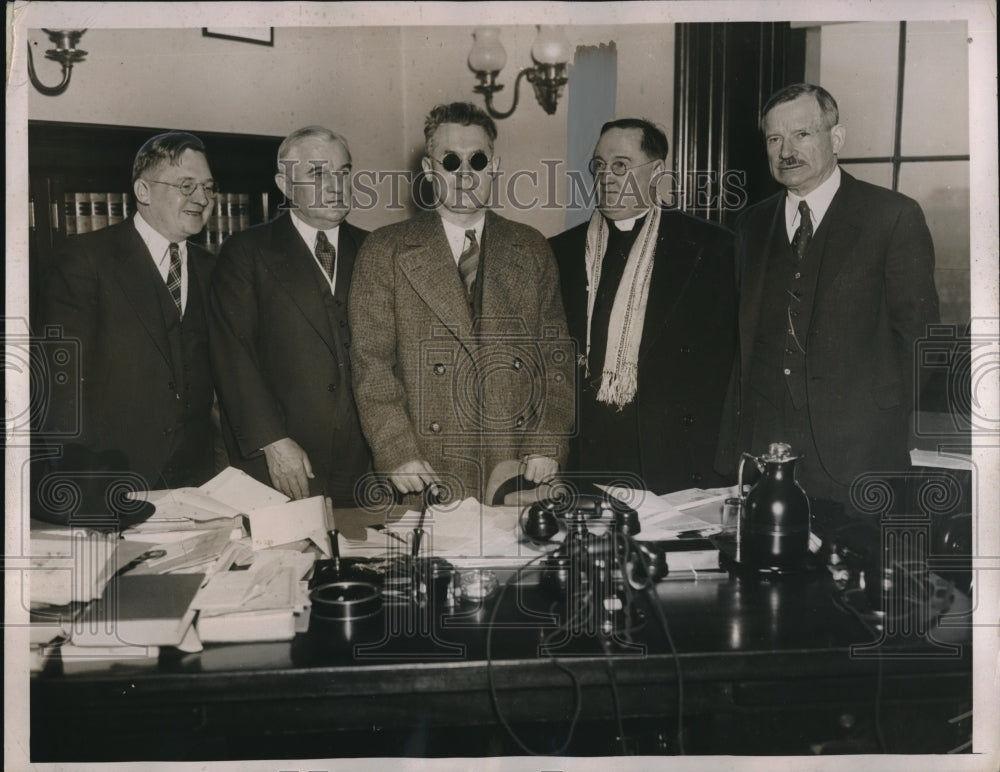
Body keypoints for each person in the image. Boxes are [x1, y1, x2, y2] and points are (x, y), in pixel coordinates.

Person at [715, 83, 939, 505]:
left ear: (836, 138)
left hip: (858, 460)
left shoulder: (891, 216)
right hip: (763, 457)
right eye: (774, 138)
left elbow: (919, 339)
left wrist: (873, 419)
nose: (786, 151)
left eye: (802, 134)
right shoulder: (750, 225)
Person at [349, 102, 574, 503]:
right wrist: (397, 453)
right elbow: (372, 366)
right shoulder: (385, 249)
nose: (465, 174)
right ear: (429, 169)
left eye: (478, 160)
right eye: (451, 161)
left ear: (495, 166)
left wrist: (548, 439)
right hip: (424, 467)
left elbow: (555, 355)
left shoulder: (531, 248)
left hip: (514, 463)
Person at [550, 118, 737, 494]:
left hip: (668, 454)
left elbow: (726, 365)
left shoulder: (709, 246)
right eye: (599, 165)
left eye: (621, 165)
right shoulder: (560, 251)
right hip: (585, 451)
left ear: (656, 172)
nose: (607, 177)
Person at [40, 131, 218, 490]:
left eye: (209, 187)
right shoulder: (85, 260)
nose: (202, 198)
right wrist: (88, 485)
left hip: (199, 483)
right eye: (186, 185)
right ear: (143, 191)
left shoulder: (214, 270)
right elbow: (61, 392)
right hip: (111, 480)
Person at [209, 126, 371, 504]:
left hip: (363, 466)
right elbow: (233, 355)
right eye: (318, 173)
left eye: (343, 172)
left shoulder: (373, 249)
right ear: (284, 184)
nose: (336, 185)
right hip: (282, 463)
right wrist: (273, 442)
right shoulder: (246, 253)